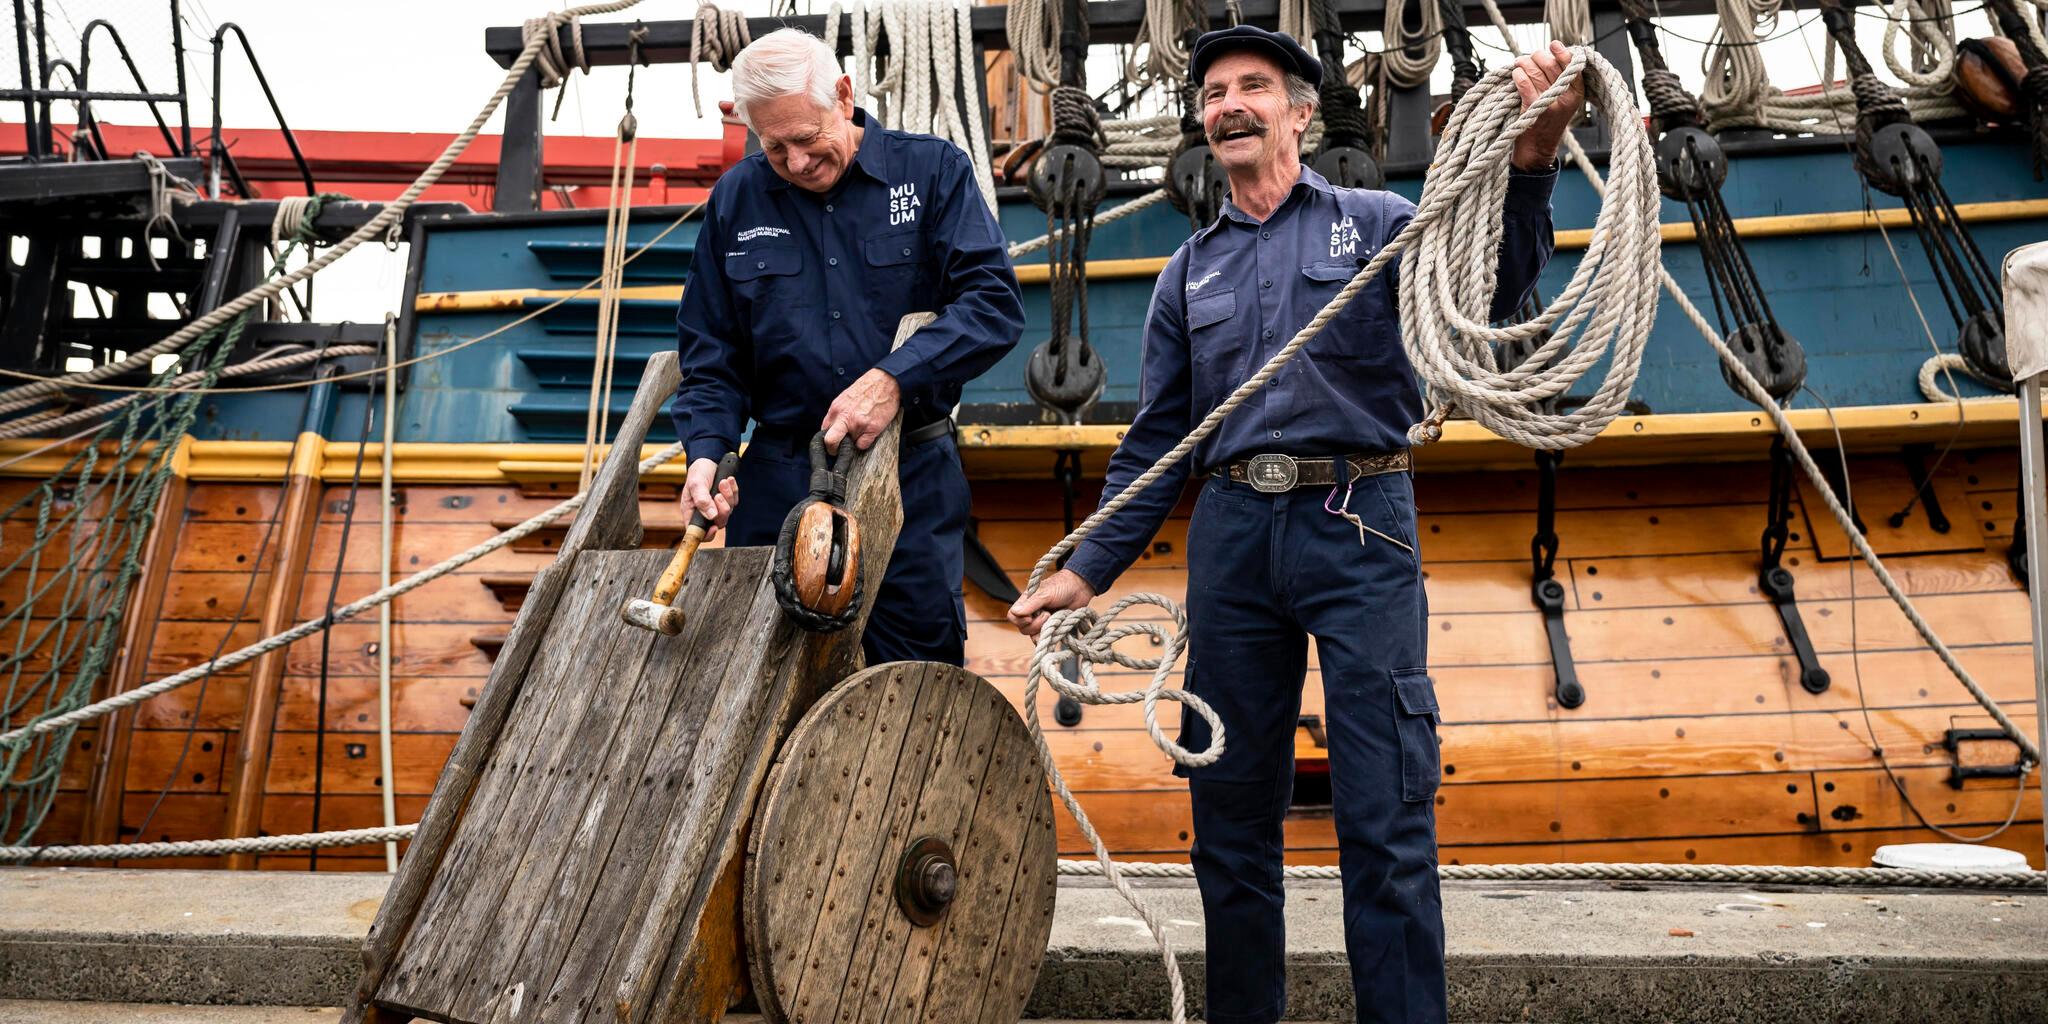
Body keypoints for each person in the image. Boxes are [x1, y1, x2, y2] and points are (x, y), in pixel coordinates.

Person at [1006, 25, 1584, 1024]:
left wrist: (1529, 163)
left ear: (1301, 114)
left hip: (1359, 522)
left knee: (1384, 811)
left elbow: (1488, 291)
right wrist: (1084, 567)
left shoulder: (1378, 224)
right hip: (1232, 537)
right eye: (1214, 92)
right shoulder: (1186, 275)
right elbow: (1158, 441)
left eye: (1253, 87)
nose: (1229, 104)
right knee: (1226, 818)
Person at [674, 28, 1024, 666]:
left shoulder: (932, 172)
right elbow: (711, 359)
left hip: (908, 477)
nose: (798, 162)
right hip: (774, 482)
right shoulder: (736, 199)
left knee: (915, 688)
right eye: (775, 148)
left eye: (808, 139)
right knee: (753, 685)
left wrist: (892, 379)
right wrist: (705, 454)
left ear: (843, 94)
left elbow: (993, 305)